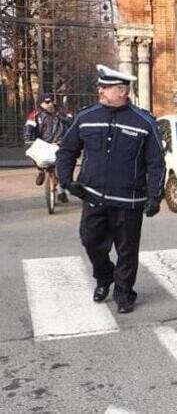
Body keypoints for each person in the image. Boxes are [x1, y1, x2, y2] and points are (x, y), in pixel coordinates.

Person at [55, 65, 165, 314]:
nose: (100, 90)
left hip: (129, 200)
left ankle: (125, 293)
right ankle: (104, 277)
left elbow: (156, 161)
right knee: (90, 241)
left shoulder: (144, 121)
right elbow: (66, 151)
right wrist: (66, 179)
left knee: (127, 250)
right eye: (101, 86)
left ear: (122, 91)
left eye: (105, 87)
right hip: (93, 196)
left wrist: (155, 196)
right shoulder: (86, 117)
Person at [24, 93, 72, 202]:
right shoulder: (36, 114)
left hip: (60, 142)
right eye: (46, 102)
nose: (49, 104)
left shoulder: (62, 111)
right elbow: (29, 127)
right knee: (32, 153)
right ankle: (40, 171)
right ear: (41, 104)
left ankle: (61, 191)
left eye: (50, 101)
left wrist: (59, 116)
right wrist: (28, 138)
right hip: (43, 143)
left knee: (63, 166)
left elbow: (71, 123)